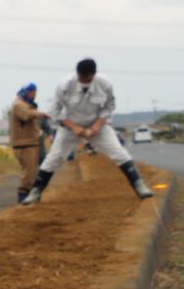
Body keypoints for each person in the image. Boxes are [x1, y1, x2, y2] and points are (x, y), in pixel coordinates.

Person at [22, 58, 155, 205]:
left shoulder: (105, 84)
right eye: (81, 77)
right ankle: (36, 192)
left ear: (94, 74)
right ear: (77, 74)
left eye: (88, 78)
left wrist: (96, 127)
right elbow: (55, 112)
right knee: (54, 157)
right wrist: (74, 127)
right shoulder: (64, 85)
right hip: (70, 125)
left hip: (97, 124)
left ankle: (139, 185)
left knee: (118, 152)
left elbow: (109, 107)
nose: (84, 81)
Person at [9, 83, 48, 204]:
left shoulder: (25, 104)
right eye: (32, 92)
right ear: (26, 92)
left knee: (33, 170)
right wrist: (40, 113)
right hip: (24, 144)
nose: (34, 95)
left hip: (30, 142)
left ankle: (32, 195)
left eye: (35, 93)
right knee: (29, 172)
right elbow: (26, 115)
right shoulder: (18, 104)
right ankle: (24, 195)